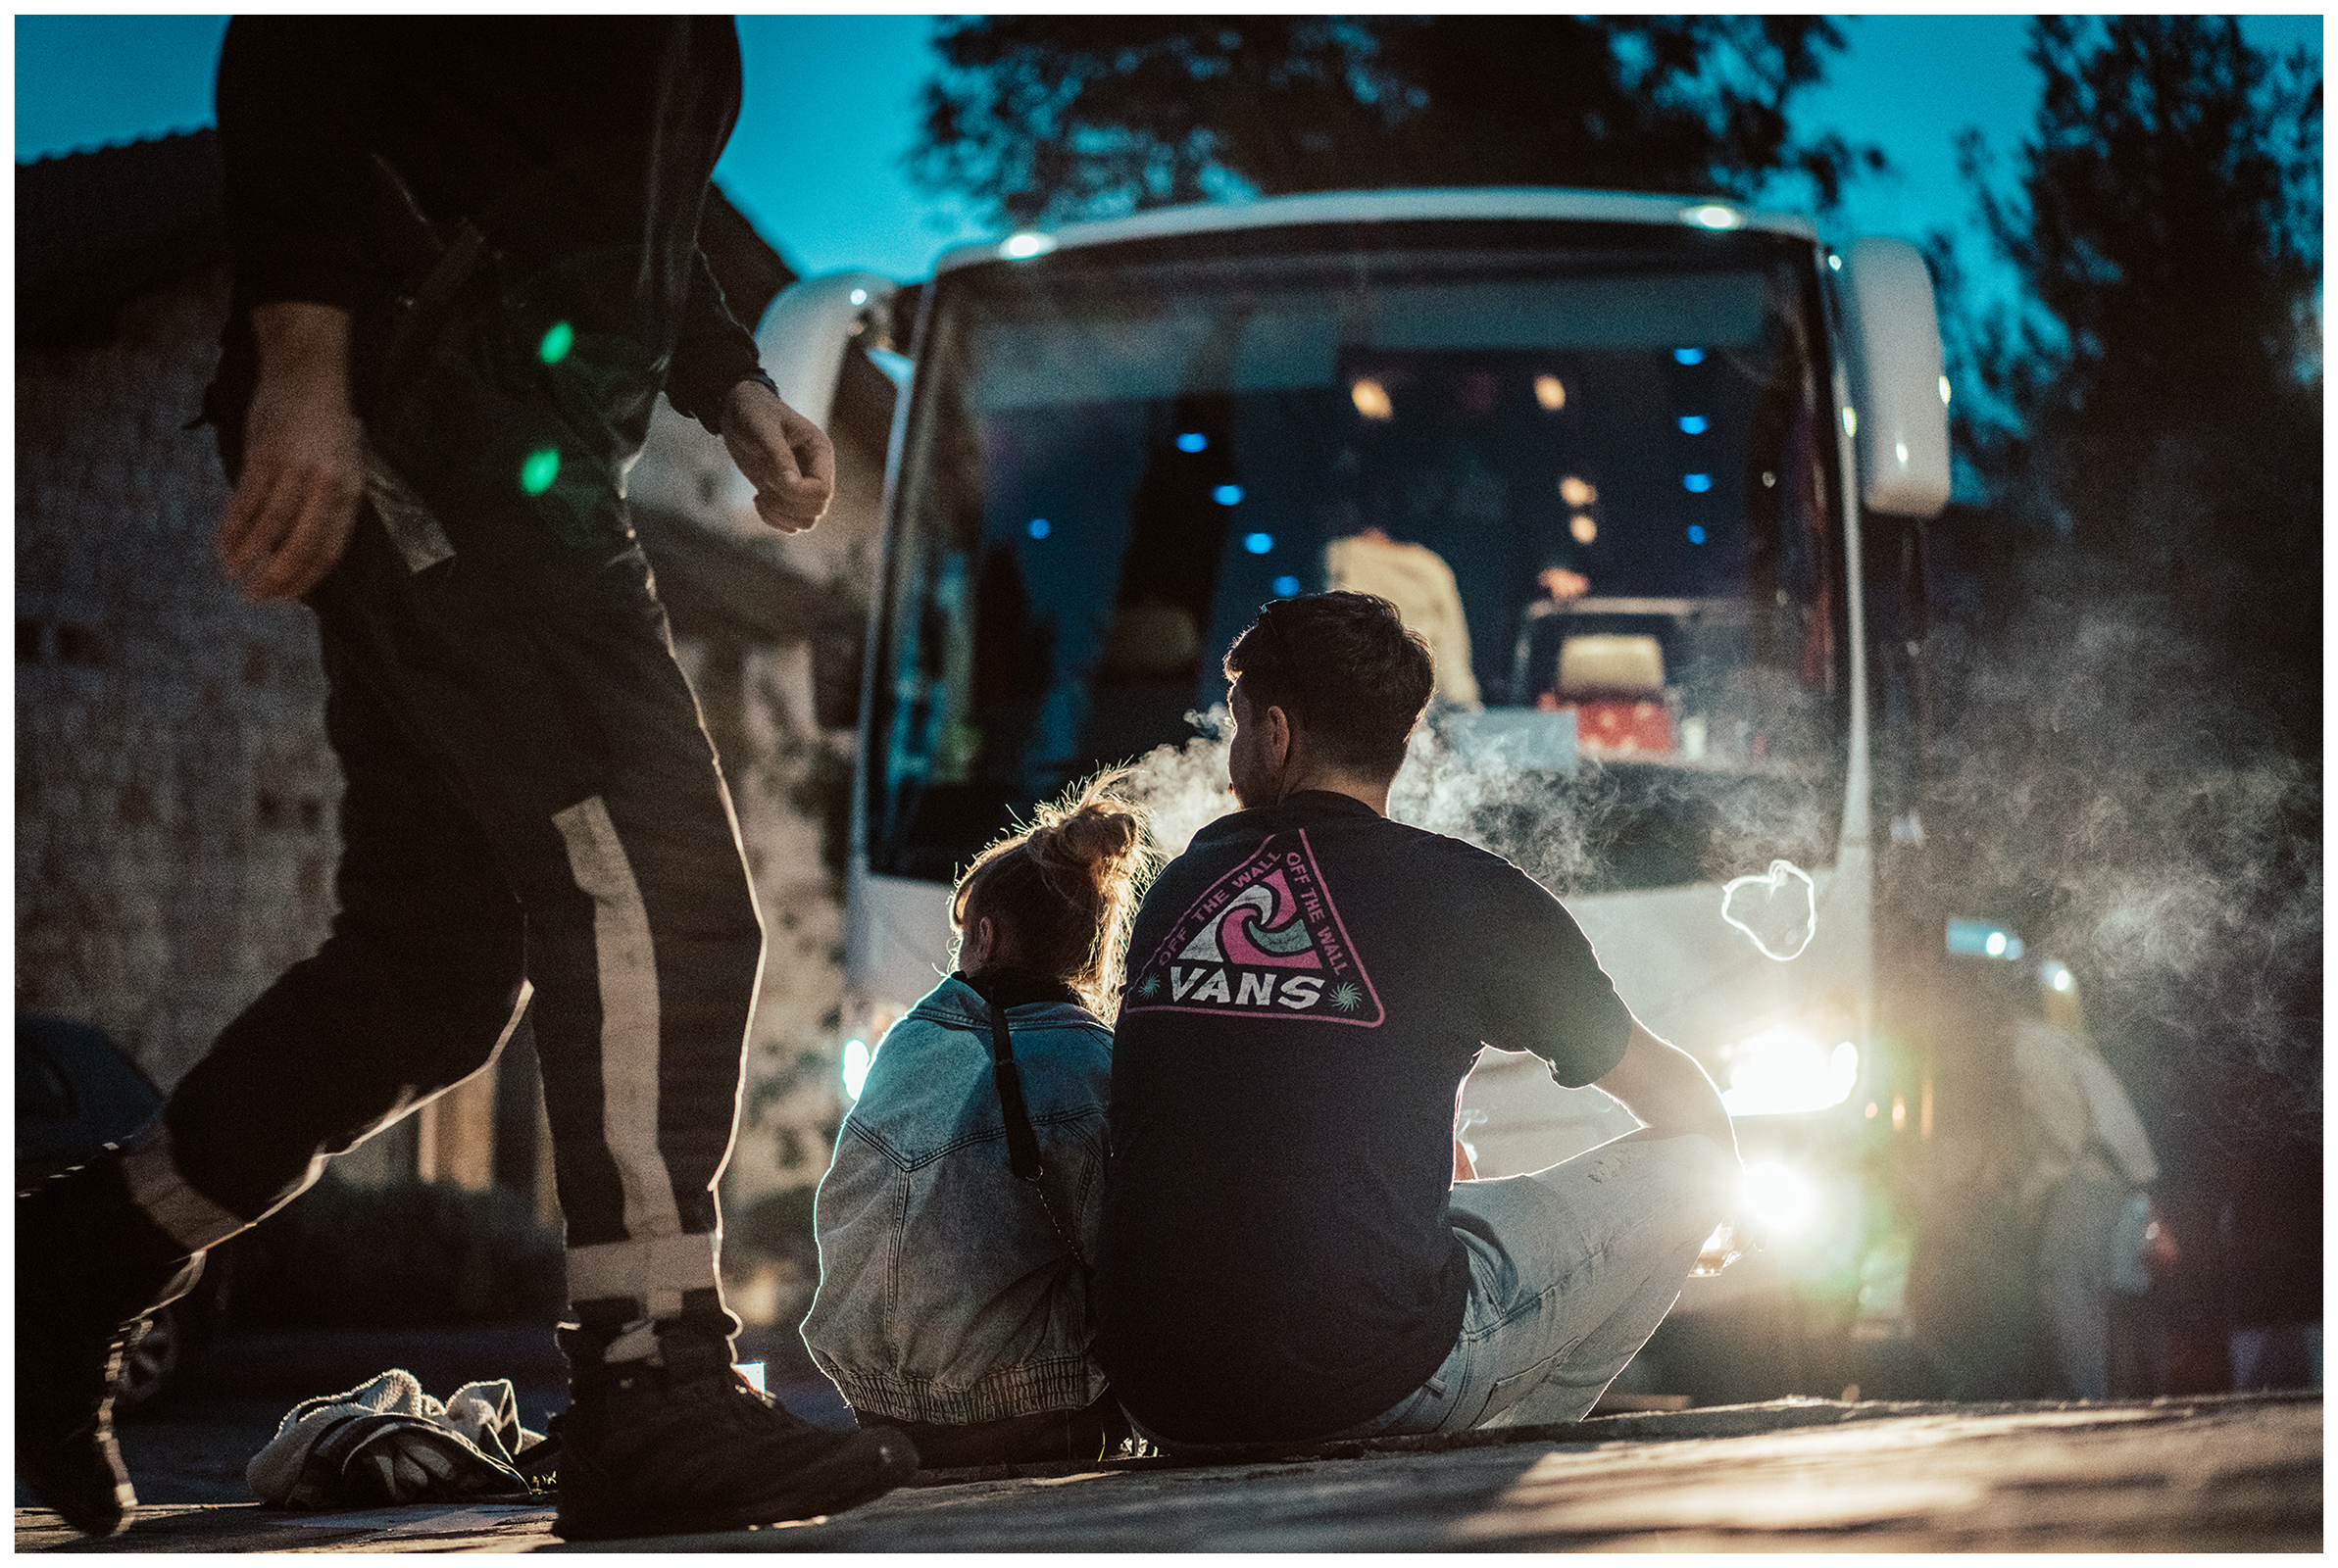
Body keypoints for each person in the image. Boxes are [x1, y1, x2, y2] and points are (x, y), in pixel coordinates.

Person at [16, 18, 918, 1542]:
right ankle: (652, 1385)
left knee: (432, 968)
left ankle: (75, 1267)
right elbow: (300, 49)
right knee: (669, 892)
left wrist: (732, 383)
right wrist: (308, 358)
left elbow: (632, 206)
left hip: (530, 432)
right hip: (439, 406)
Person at [1094, 591, 1741, 1451]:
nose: (1229, 759)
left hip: (1159, 1395)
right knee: (1696, 1163)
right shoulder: (1468, 895)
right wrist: (1727, 1194)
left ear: (1279, 735)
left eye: (1238, 727)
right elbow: (1668, 1090)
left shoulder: (1182, 889)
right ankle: (1484, 1468)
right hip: (1358, 1387)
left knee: (1450, 1193)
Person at [803, 774, 1157, 1466]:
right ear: (1091, 947)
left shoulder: (904, 1045)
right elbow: (1121, 1259)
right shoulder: (1095, 1063)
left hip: (880, 1411)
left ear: (986, 937)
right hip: (1042, 1411)